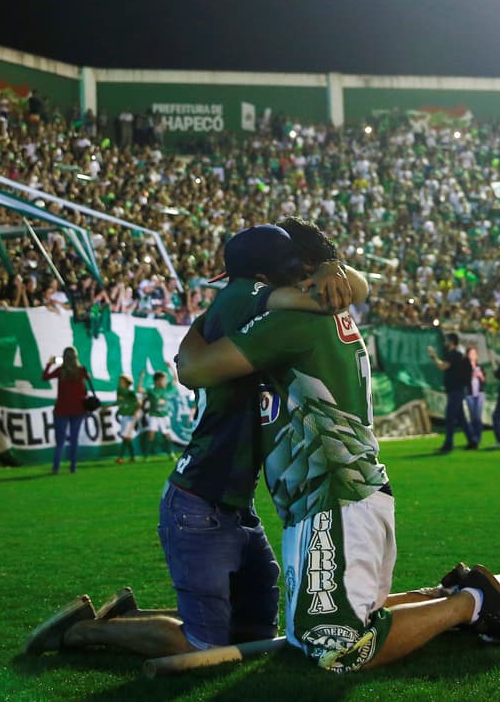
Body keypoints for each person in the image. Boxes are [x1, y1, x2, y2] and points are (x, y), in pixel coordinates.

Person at [174, 246, 500, 672]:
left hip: (330, 496)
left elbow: (193, 368)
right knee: (306, 631)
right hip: (344, 492)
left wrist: (203, 321)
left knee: (334, 647)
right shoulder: (329, 309)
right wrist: (336, 268)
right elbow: (354, 283)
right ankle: (438, 597)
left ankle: (471, 604)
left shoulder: (290, 321)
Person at [25, 224, 370, 660]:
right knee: (203, 647)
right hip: (201, 498)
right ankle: (82, 633)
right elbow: (332, 297)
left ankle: (130, 616)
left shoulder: (230, 306)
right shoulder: (247, 296)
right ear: (267, 272)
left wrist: (334, 266)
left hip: (230, 501)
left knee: (254, 632)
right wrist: (331, 272)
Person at [43, 347, 90, 474]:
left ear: (64, 358)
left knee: (60, 441)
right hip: (78, 409)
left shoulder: (60, 371)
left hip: (61, 410)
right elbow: (87, 386)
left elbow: (45, 377)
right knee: (74, 439)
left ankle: (56, 467)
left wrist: (50, 363)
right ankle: (73, 467)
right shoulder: (82, 370)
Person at [428, 332, 472, 452]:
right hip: (458, 389)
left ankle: (448, 444)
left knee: (450, 417)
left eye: (447, 340)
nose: (445, 343)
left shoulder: (454, 355)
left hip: (455, 390)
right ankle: (472, 441)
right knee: (461, 418)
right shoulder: (459, 354)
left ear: (452, 342)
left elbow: (443, 366)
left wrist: (434, 357)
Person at [138, 368, 177, 461]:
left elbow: (175, 380)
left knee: (166, 435)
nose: (165, 381)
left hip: (164, 416)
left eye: (165, 380)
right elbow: (139, 390)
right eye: (163, 380)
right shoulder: (151, 390)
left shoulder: (166, 388)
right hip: (153, 415)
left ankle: (171, 454)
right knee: (151, 435)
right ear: (157, 381)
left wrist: (171, 367)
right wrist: (141, 377)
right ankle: (146, 456)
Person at [113, 374, 140, 464]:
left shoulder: (130, 392)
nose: (120, 383)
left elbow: (138, 403)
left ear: (127, 383)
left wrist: (136, 412)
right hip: (125, 416)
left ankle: (121, 457)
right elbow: (118, 402)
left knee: (126, 436)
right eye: (120, 381)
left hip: (130, 416)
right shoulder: (121, 392)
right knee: (127, 438)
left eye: (122, 381)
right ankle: (132, 457)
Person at [464, 345, 487, 447]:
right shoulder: (465, 368)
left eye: (474, 354)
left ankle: (478, 437)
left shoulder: (480, 367)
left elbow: (484, 381)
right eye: (471, 354)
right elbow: (463, 380)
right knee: (472, 416)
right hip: (469, 394)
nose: (473, 356)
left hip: (480, 394)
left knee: (478, 416)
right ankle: (472, 438)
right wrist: (470, 375)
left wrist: (480, 376)